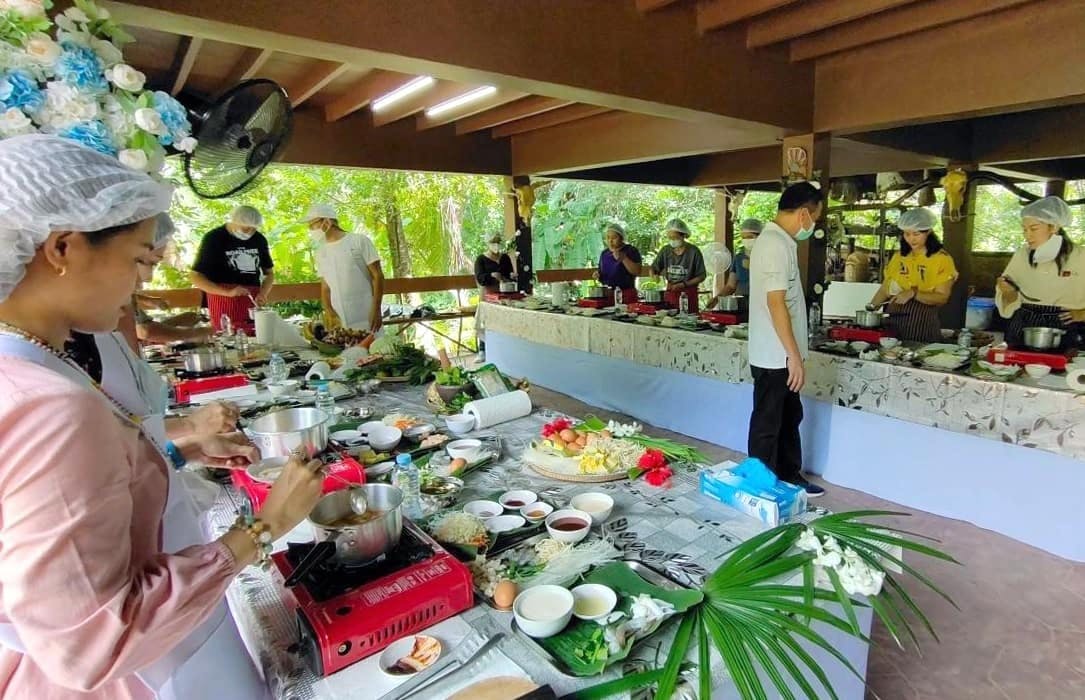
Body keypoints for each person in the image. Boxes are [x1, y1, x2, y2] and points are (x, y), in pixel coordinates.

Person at [0, 134, 324, 699]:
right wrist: (264, 526)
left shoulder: (29, 362)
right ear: (63, 249)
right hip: (143, 671)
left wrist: (178, 446)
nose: (144, 282)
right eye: (140, 259)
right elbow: (96, 640)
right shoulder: (48, 406)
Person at [747, 181, 825, 497]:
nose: (813, 225)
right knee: (768, 421)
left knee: (789, 415)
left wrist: (795, 354)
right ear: (804, 213)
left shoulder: (783, 243)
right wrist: (792, 355)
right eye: (815, 217)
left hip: (783, 352)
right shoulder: (773, 245)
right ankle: (761, 485)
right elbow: (775, 302)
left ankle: (789, 475)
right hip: (774, 355)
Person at [996, 196, 1085, 348]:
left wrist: (1081, 314)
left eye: (1034, 229)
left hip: (1066, 324)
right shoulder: (1022, 255)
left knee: (1062, 368)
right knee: (1016, 367)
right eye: (1024, 230)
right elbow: (1010, 299)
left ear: (1054, 227)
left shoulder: (1080, 256)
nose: (1027, 235)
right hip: (1025, 322)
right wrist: (1007, 291)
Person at [869, 208, 958, 343]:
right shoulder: (899, 256)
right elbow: (885, 288)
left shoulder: (942, 259)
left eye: (916, 234)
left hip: (922, 324)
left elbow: (942, 297)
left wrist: (913, 293)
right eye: (907, 234)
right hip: (893, 323)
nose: (911, 239)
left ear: (928, 231)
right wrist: (871, 308)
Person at [190, 205, 274, 334]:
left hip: (251, 298)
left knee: (255, 336)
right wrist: (227, 292)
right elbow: (196, 277)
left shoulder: (259, 240)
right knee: (227, 337)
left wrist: (263, 293)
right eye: (245, 228)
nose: (249, 232)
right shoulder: (214, 238)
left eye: (253, 228)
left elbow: (269, 274)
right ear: (233, 222)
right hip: (222, 299)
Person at [306, 203, 384, 332]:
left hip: (367, 315)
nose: (310, 229)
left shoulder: (359, 241)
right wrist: (329, 311)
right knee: (346, 350)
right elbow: (325, 287)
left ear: (327, 221)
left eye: (312, 224)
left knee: (374, 349)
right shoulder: (321, 252)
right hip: (340, 319)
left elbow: (378, 276)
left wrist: (376, 310)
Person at [650, 218, 707, 312]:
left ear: (683, 235)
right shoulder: (666, 250)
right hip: (671, 292)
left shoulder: (693, 252)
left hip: (688, 293)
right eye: (670, 238)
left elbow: (701, 276)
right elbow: (653, 268)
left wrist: (683, 284)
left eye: (675, 238)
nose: (672, 241)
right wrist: (654, 275)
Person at [710, 219, 761, 306]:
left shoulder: (768, 256)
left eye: (750, 237)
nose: (746, 240)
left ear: (760, 236)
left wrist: (753, 267)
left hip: (760, 303)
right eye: (744, 237)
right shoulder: (739, 258)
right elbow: (731, 286)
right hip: (741, 304)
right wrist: (717, 298)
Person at [595, 223, 642, 297]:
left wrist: (623, 258)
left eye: (614, 238)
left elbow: (637, 271)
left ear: (621, 238)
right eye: (608, 237)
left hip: (626, 294)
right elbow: (601, 273)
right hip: (608, 294)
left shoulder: (631, 250)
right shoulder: (604, 253)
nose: (610, 241)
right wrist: (597, 274)